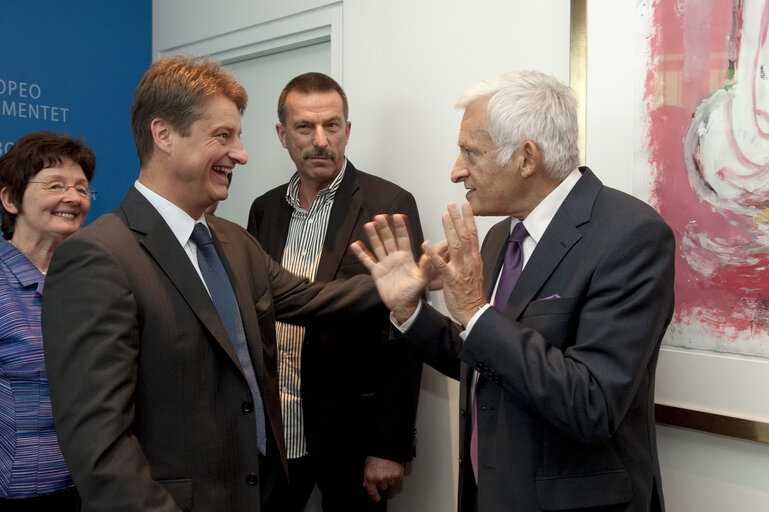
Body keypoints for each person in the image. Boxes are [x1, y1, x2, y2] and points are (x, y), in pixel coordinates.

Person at [40, 56, 381, 512]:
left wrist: (393, 286)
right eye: (223, 136)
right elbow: (99, 449)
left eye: (237, 136)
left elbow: (312, 299)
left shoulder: (234, 242)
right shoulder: (98, 258)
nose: (241, 153)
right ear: (163, 135)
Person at [352, 70, 675, 511]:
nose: (455, 171)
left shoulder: (630, 235)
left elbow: (592, 404)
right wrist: (411, 313)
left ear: (526, 159)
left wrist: (475, 310)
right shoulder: (500, 236)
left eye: (471, 152)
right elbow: (487, 365)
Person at [247, 72, 423, 511]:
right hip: (275, 432)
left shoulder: (389, 204)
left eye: (332, 125)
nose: (320, 140)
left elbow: (406, 329)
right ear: (282, 135)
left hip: (352, 435)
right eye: (305, 127)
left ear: (348, 130)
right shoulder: (264, 210)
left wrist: (390, 445)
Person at [0, 131, 95, 510]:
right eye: (55, 185)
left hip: (93, 488)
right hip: (20, 491)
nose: (72, 198)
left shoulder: (95, 278)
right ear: (10, 199)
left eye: (82, 189)